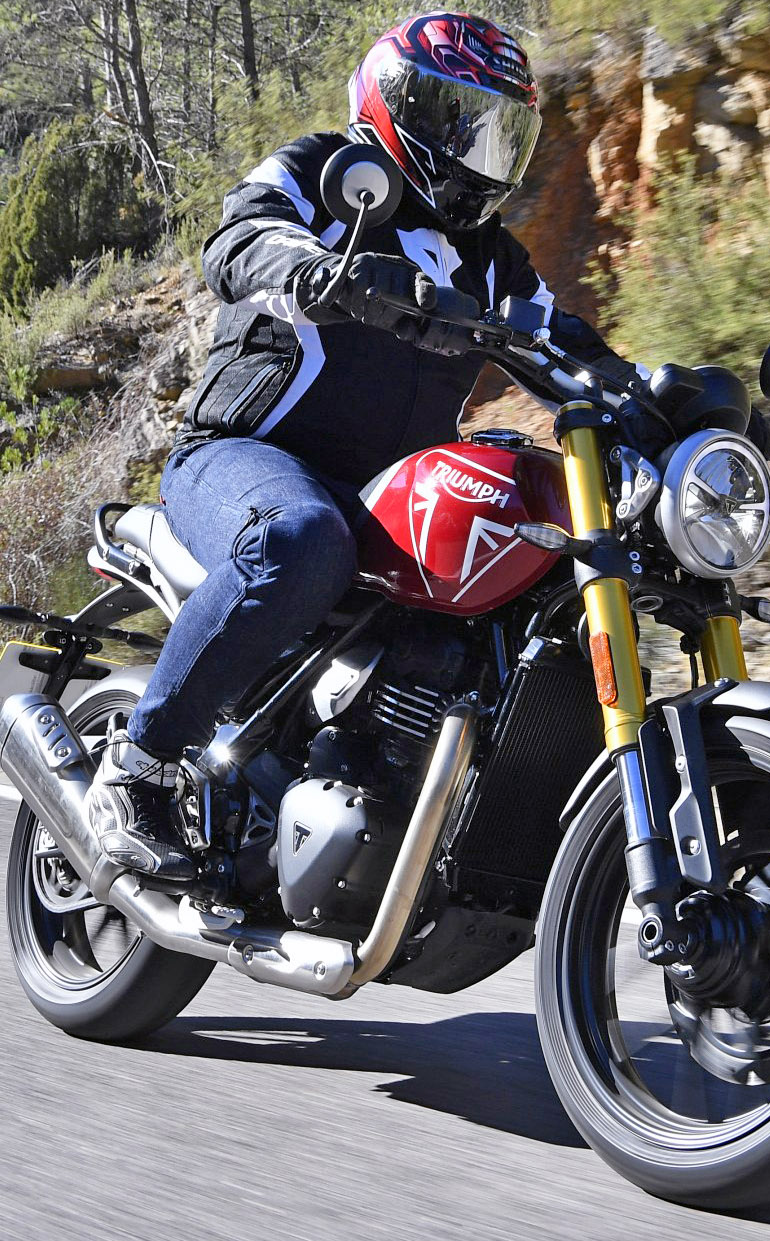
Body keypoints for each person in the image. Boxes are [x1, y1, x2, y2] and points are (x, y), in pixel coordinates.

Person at [83, 11, 630, 877]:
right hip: (243, 459)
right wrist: (323, 276)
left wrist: (665, 399)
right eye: (457, 120)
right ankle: (138, 767)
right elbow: (240, 240)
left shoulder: (490, 259)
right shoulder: (322, 173)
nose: (475, 149)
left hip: (384, 494)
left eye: (495, 131)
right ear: (392, 104)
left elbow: (570, 350)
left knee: (526, 584)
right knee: (302, 539)